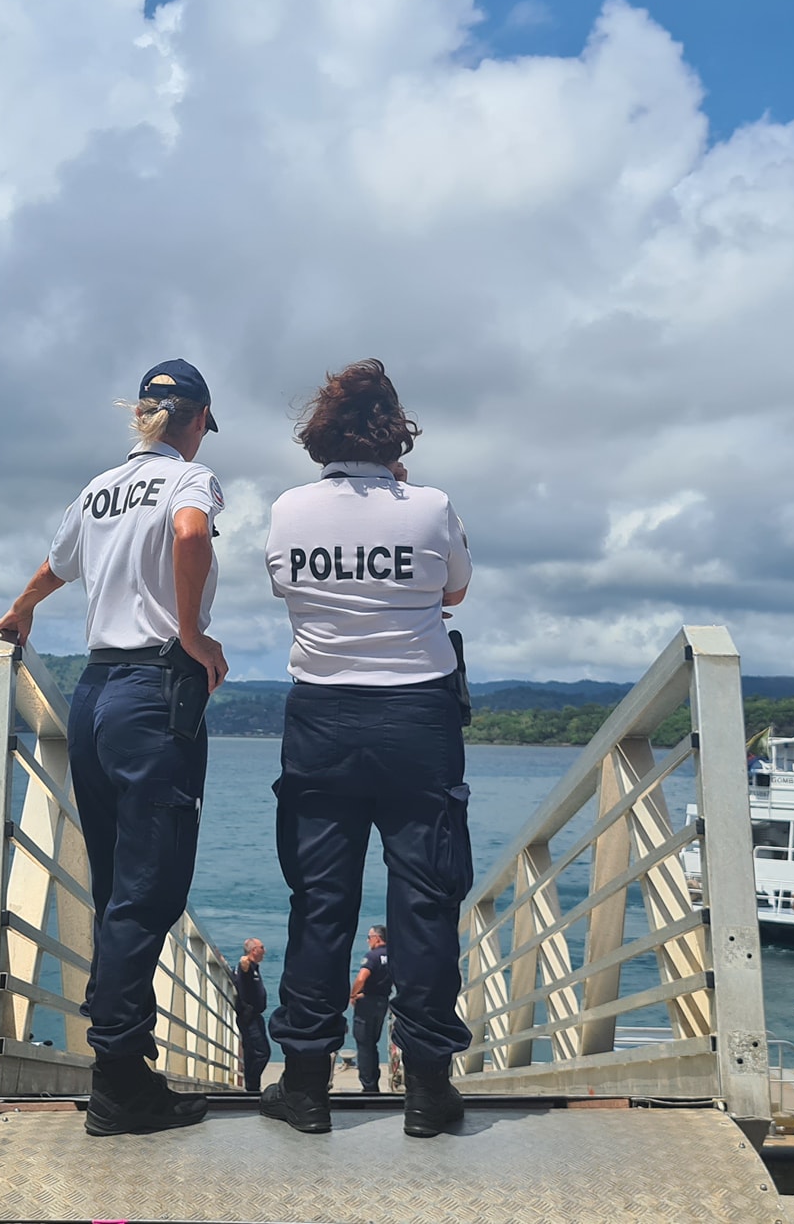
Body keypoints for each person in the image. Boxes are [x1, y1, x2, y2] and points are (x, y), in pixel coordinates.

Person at [0, 359, 228, 1138]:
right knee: (150, 892)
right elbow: (190, 534)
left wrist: (20, 611)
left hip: (94, 696)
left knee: (120, 885)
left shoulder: (97, 489)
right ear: (194, 421)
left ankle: (126, 1066)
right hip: (153, 696)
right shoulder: (192, 481)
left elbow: (57, 567)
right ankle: (119, 1078)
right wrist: (191, 632)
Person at [257, 360, 474, 1141]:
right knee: (425, 902)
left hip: (321, 716)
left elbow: (287, 590)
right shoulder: (432, 506)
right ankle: (426, 1090)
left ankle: (307, 1086)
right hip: (418, 717)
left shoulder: (288, 509)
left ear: (320, 431)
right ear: (396, 433)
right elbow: (453, 591)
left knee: (320, 903)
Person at [350, 925, 392, 1093]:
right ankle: (373, 1080)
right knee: (372, 1043)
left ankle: (368, 1086)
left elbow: (362, 977)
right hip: (382, 1002)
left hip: (367, 1003)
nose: (368, 941)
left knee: (364, 1044)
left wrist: (353, 994)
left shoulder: (372, 956)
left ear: (377, 938)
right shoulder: (393, 955)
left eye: (369, 937)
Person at [236, 939, 270, 1093]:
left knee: (251, 1053)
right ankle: (252, 1086)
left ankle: (252, 1088)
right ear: (254, 950)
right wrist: (244, 960)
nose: (265, 950)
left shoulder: (255, 967)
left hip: (256, 1016)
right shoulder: (247, 966)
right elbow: (243, 967)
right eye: (262, 947)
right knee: (262, 1052)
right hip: (249, 1017)